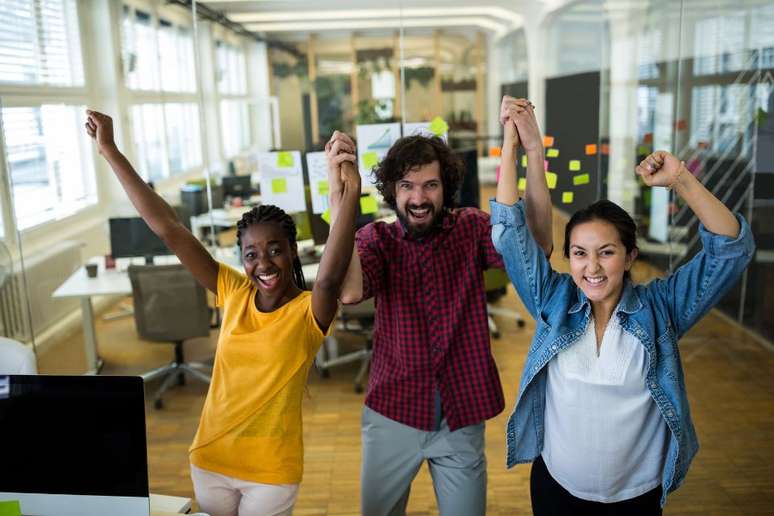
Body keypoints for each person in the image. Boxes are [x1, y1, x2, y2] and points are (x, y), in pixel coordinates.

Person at [85, 109, 361, 516]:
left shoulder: (309, 312)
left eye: (274, 250)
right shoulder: (233, 290)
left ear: (292, 251)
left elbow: (328, 279)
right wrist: (110, 150)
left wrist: (349, 192)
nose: (263, 264)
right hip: (210, 459)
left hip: (271, 472)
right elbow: (169, 228)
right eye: (251, 254)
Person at [491, 146, 755, 514]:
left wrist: (680, 180)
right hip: (556, 488)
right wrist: (513, 142)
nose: (592, 267)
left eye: (607, 252)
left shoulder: (661, 307)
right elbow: (508, 233)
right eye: (580, 253)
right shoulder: (554, 300)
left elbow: (731, 250)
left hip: (636, 497)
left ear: (630, 255)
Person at [325, 96, 553, 515]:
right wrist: (340, 195)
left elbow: (535, 245)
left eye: (430, 185)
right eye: (407, 186)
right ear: (392, 190)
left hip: (460, 412)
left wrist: (530, 151)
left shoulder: (469, 228)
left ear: (445, 187)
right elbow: (350, 290)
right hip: (393, 412)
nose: (418, 197)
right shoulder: (378, 240)